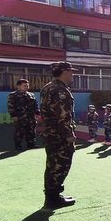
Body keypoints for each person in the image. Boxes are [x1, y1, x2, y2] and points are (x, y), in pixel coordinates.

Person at [39, 62, 77, 209]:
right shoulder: (60, 90)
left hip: (51, 133)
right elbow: (63, 115)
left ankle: (52, 196)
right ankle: (53, 199)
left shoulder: (47, 87)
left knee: (52, 165)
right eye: (71, 71)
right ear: (64, 72)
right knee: (60, 165)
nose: (72, 74)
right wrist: (69, 134)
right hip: (60, 135)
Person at [7, 78, 40, 151]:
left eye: (27, 86)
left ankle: (31, 144)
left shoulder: (31, 95)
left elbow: (35, 104)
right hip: (20, 117)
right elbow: (10, 106)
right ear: (18, 86)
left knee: (31, 131)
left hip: (31, 117)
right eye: (24, 86)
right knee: (19, 132)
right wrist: (13, 115)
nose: (27, 87)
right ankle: (18, 146)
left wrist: (37, 112)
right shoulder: (13, 95)